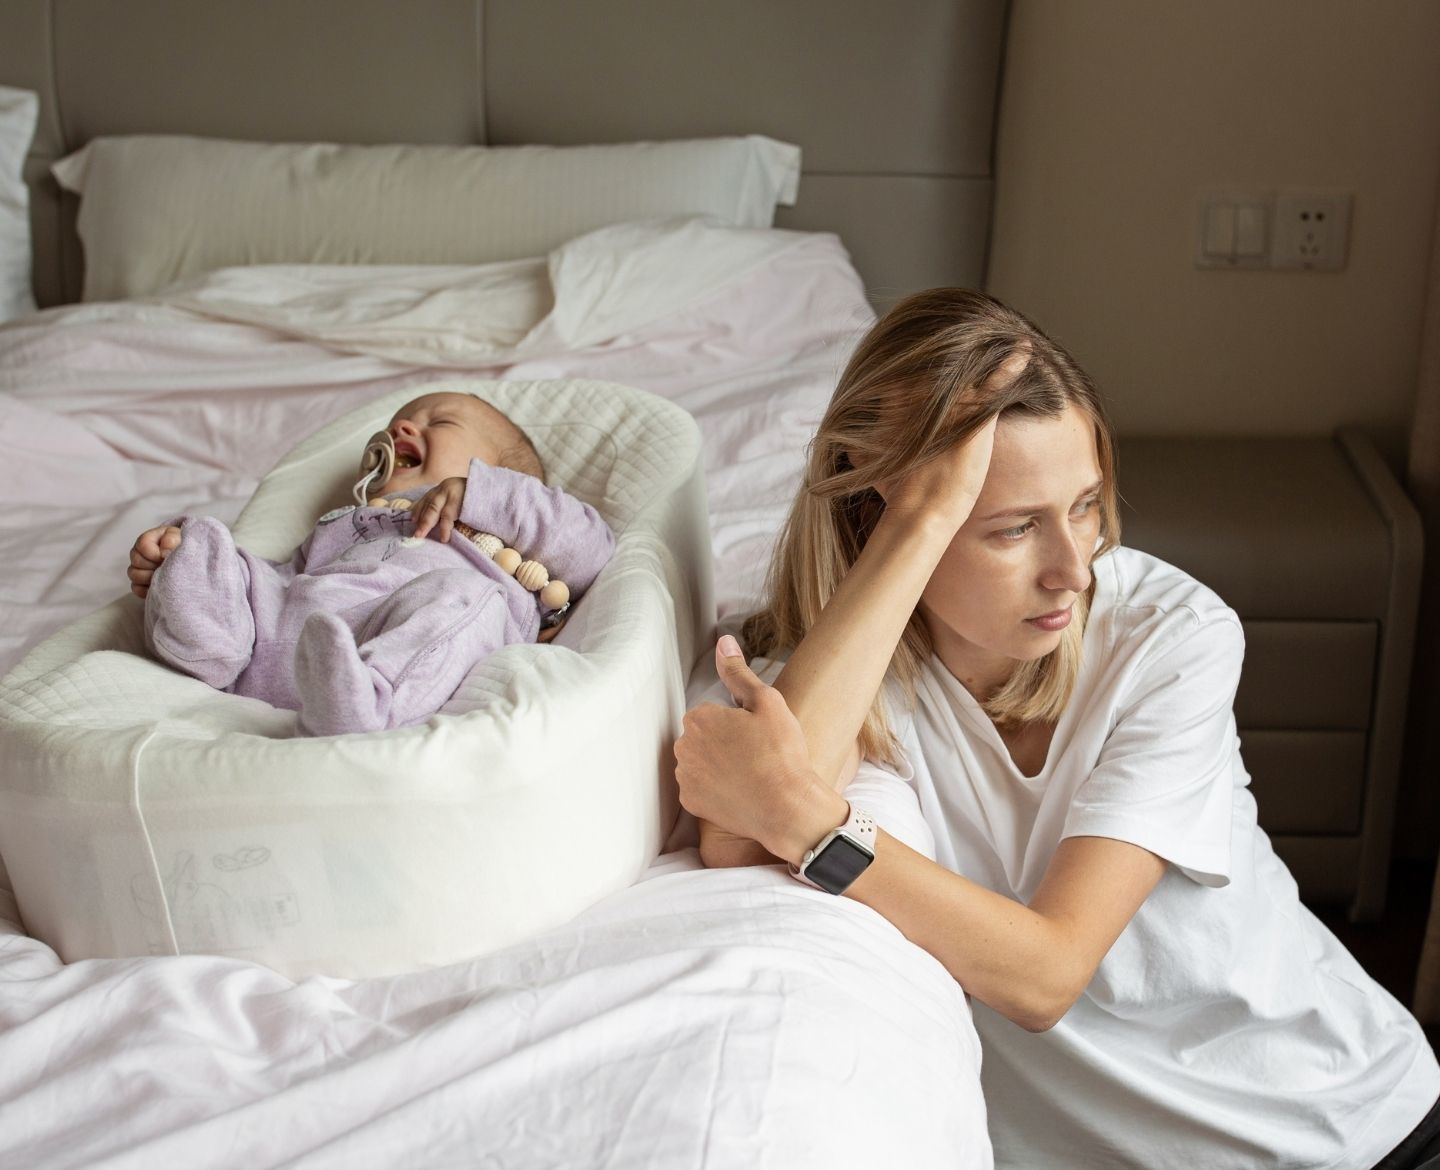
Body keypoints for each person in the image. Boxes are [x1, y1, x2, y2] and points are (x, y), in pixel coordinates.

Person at [673, 289, 1440, 1168]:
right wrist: (920, 519)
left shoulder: (1168, 635)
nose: (1073, 569)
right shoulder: (826, 673)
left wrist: (813, 825)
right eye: (1012, 528)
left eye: (1084, 505)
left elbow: (1045, 974)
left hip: (1344, 1131)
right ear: (875, 514)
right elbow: (738, 836)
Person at [127, 391, 614, 736]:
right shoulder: (344, 521)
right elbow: (287, 579)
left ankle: (367, 703)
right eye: (397, 423)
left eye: (439, 424)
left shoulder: (505, 524)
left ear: (501, 474)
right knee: (215, 545)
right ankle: (206, 638)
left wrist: (481, 494)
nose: (401, 428)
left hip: (394, 637)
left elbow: (591, 549)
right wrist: (200, 564)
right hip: (296, 638)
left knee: (462, 597)